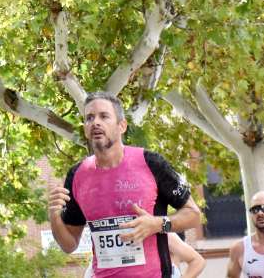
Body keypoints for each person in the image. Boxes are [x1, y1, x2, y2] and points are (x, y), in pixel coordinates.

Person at [47, 92, 203, 277]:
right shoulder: (77, 175)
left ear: (122, 126)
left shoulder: (151, 162)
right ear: (85, 128)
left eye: (104, 116)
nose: (96, 122)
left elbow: (194, 215)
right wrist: (54, 216)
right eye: (89, 118)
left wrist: (157, 224)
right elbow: (69, 245)